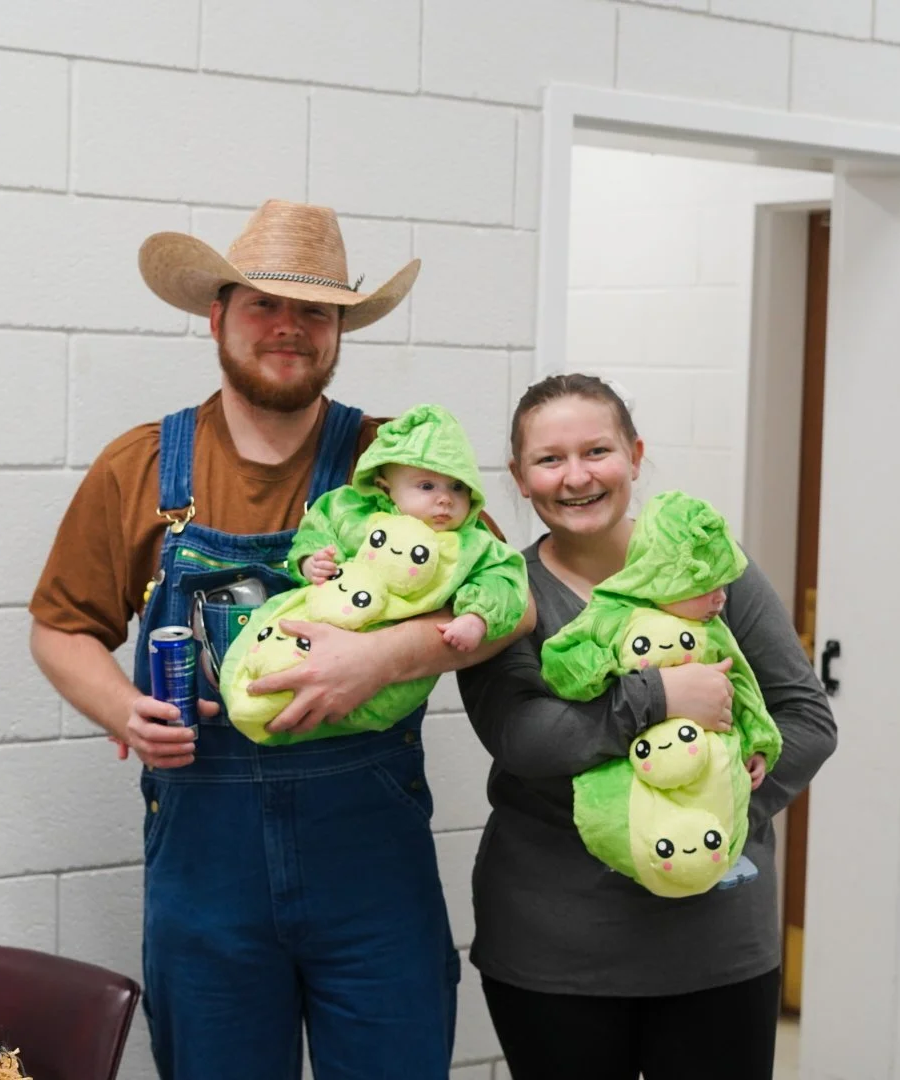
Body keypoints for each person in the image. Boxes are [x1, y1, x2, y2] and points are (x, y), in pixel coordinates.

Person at [28, 198, 533, 1080]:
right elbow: (60, 627)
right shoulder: (142, 466)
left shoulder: (395, 461)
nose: (289, 329)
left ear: (339, 330)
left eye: (315, 311)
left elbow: (512, 605)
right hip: (205, 868)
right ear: (217, 316)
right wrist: (124, 708)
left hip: (371, 870)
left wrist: (381, 657)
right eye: (265, 305)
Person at [456, 373, 836, 1080]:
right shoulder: (503, 594)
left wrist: (714, 805)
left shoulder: (715, 572)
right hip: (557, 952)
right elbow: (525, 739)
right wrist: (660, 697)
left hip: (717, 946)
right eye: (549, 459)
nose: (576, 477)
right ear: (519, 476)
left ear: (634, 454)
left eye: (597, 450)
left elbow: (807, 719)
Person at [219, 401, 528, 741]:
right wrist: (310, 560)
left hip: (385, 676)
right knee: (265, 651)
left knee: (337, 707)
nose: (445, 499)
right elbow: (319, 525)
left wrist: (477, 617)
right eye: (427, 486)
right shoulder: (355, 514)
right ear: (385, 488)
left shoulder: (471, 544)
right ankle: (252, 695)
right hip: (321, 619)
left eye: (458, 487)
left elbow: (504, 580)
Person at [540, 488, 783, 897]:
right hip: (635, 766)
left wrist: (758, 742)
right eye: (707, 587)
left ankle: (700, 855)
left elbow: (743, 685)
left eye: (724, 586)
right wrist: (610, 673)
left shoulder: (715, 632)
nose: (722, 598)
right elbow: (563, 662)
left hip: (706, 764)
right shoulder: (615, 614)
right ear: (665, 578)